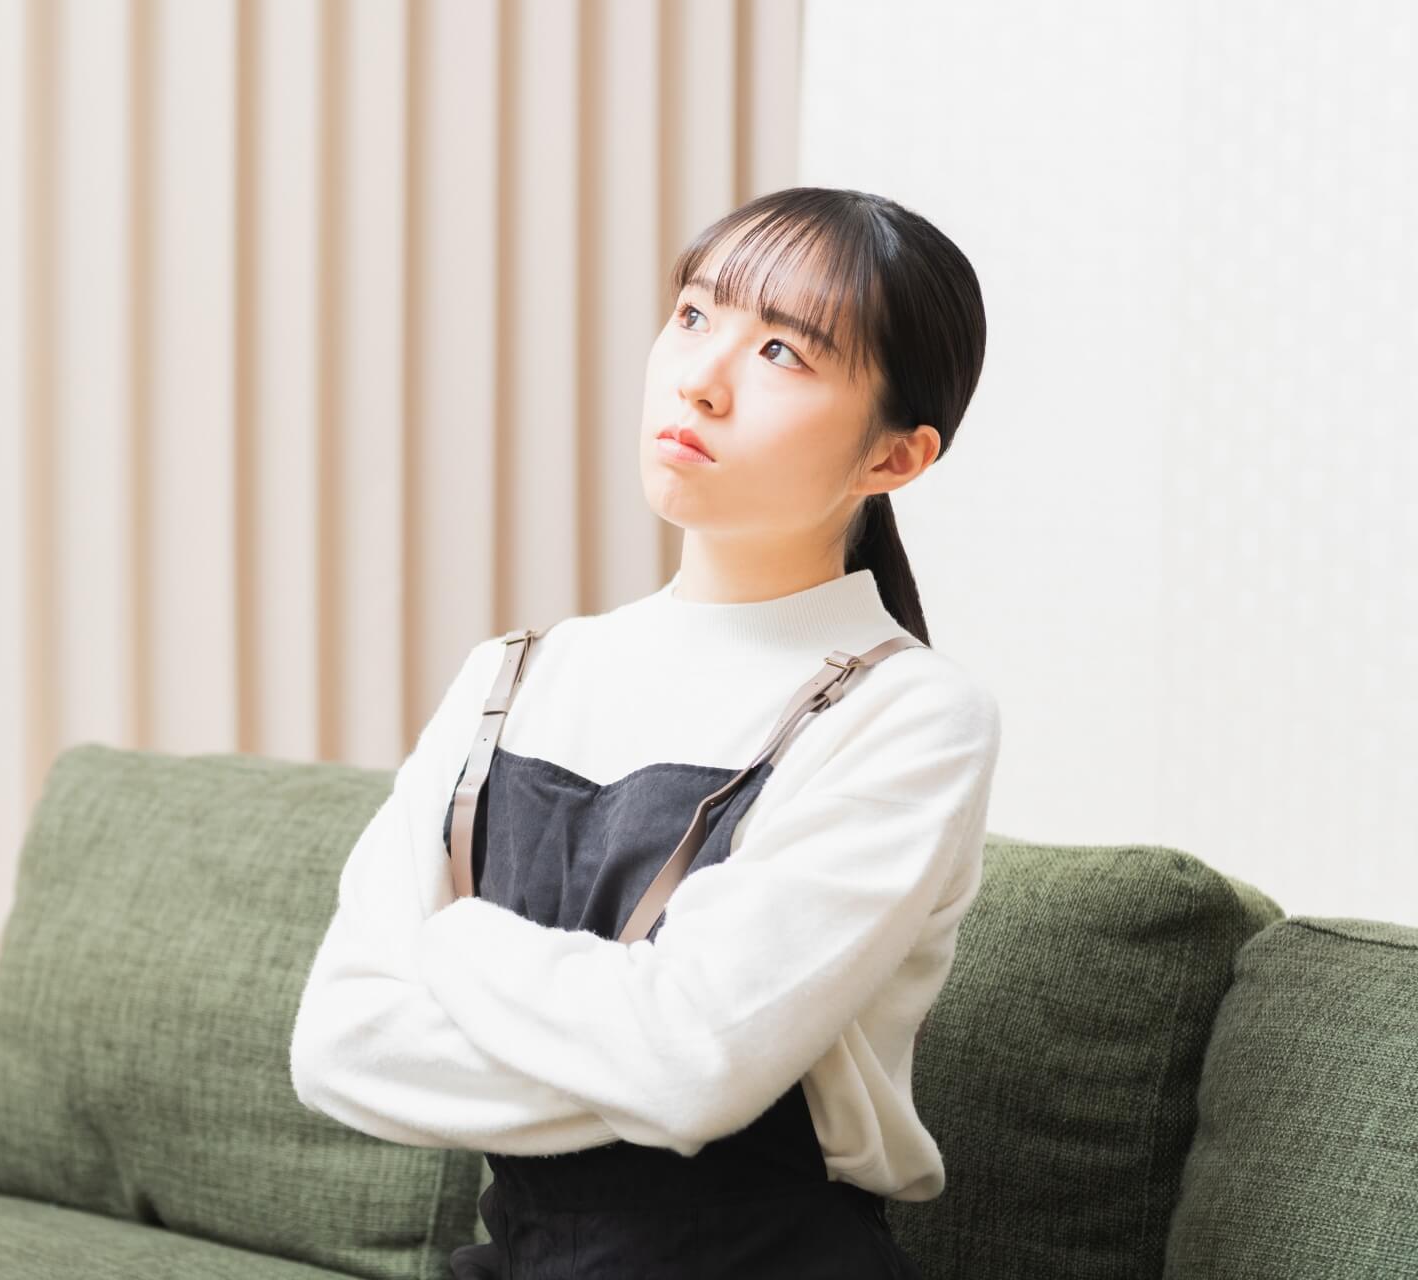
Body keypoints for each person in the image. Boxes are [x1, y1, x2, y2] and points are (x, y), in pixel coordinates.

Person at [289, 186, 998, 1279]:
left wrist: (451, 944)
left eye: (782, 351)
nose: (701, 378)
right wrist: (646, 1056)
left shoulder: (909, 713)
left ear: (893, 460)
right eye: (694, 315)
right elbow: (341, 1044)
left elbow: (695, 1060)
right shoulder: (513, 676)